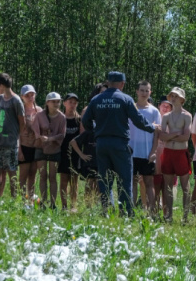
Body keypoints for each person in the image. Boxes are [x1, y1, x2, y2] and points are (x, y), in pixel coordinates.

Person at [81, 71, 158, 216]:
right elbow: (137, 119)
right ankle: (126, 212)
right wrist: (152, 127)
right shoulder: (125, 99)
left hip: (102, 144)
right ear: (122, 84)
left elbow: (85, 121)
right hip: (119, 143)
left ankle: (106, 211)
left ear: (108, 82)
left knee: (104, 179)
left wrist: (96, 133)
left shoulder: (96, 99)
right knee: (124, 179)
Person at [159, 87, 192, 223]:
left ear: (182, 99)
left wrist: (169, 136)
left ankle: (185, 217)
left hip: (181, 153)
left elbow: (186, 137)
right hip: (168, 153)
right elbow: (161, 136)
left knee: (185, 186)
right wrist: (175, 134)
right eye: (172, 95)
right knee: (167, 185)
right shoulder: (166, 116)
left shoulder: (187, 115)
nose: (173, 98)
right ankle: (169, 215)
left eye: (176, 96)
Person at [0, 74, 25, 198]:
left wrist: (17, 140)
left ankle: (13, 198)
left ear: (2, 86)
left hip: (11, 143)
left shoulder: (16, 101)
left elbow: (22, 122)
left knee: (12, 172)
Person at [129, 81, 161, 213]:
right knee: (132, 182)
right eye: (142, 90)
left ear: (150, 92)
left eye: (147, 91)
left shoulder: (154, 111)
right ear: (136, 91)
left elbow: (157, 133)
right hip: (131, 152)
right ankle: (131, 211)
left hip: (147, 153)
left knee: (148, 182)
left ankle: (152, 211)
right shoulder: (131, 109)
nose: (144, 93)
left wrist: (154, 152)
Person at [34, 92, 67, 209]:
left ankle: (53, 204)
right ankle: (42, 202)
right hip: (40, 148)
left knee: (53, 177)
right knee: (43, 176)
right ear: (47, 103)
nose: (56, 104)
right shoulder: (39, 115)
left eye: (58, 101)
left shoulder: (62, 117)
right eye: (53, 101)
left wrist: (50, 139)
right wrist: (40, 137)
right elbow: (36, 131)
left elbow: (62, 135)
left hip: (55, 149)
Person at [59, 94, 82, 212]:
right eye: (70, 102)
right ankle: (64, 206)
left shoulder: (79, 120)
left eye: (75, 103)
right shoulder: (60, 118)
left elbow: (83, 136)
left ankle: (73, 206)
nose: (72, 105)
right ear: (64, 103)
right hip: (62, 153)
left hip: (76, 153)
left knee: (74, 180)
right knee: (63, 179)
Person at [18, 84, 41, 200]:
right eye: (27, 95)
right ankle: (21, 199)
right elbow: (17, 132)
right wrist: (19, 150)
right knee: (23, 174)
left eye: (32, 94)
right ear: (22, 97)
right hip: (24, 145)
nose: (30, 97)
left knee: (33, 173)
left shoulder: (40, 111)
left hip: (36, 146)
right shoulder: (20, 111)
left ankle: (31, 198)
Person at [69, 127, 98, 207]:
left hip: (100, 163)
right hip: (89, 163)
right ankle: (88, 206)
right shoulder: (89, 132)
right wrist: (81, 155)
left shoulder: (104, 132)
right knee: (89, 183)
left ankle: (97, 206)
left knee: (98, 185)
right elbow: (73, 141)